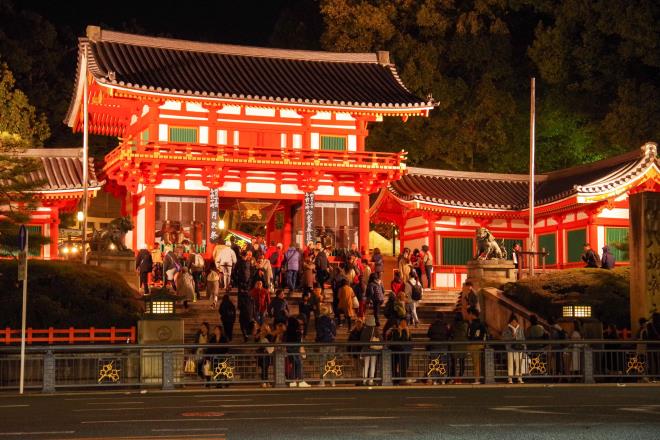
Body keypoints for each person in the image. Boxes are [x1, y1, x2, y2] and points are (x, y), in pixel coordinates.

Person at [285, 316, 310, 387]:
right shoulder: (297, 331)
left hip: (290, 350)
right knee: (298, 364)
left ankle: (293, 380)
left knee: (295, 365)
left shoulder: (288, 331)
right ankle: (300, 380)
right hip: (295, 350)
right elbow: (299, 342)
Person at [427, 312, 451, 385]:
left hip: (434, 346)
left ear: (436, 318)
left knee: (434, 362)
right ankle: (442, 379)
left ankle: (435, 379)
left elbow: (428, 334)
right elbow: (448, 334)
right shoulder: (445, 326)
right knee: (443, 363)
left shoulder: (432, 325)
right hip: (443, 346)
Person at [316, 305, 337, 387]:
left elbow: (319, 332)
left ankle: (322, 381)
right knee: (331, 362)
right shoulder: (331, 320)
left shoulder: (320, 320)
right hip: (332, 343)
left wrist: (318, 339)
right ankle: (332, 381)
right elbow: (334, 332)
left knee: (322, 362)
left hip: (324, 343)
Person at [387, 318, 412, 384]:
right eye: (402, 323)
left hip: (404, 352)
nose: (404, 324)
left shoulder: (408, 331)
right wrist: (400, 332)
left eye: (405, 323)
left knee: (404, 365)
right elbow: (396, 340)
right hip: (397, 351)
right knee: (395, 365)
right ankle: (396, 379)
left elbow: (409, 341)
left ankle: (402, 379)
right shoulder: (396, 331)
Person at [502, 314, 525, 384]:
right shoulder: (506, 329)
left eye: (515, 322)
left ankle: (519, 378)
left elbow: (523, 338)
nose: (514, 323)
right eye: (512, 322)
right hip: (510, 348)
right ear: (510, 322)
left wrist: (524, 347)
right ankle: (510, 378)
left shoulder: (520, 329)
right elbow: (504, 338)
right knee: (510, 364)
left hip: (519, 348)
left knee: (519, 364)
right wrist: (512, 337)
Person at [467, 307, 487, 384]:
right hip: (478, 344)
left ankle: (477, 379)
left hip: (475, 345)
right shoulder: (480, 324)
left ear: (472, 314)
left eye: (469, 314)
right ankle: (478, 378)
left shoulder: (474, 324)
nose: (468, 316)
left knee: (476, 363)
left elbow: (471, 335)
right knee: (477, 362)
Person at [360, 315, 381, 386]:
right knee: (373, 365)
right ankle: (371, 380)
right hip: (374, 350)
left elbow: (362, 340)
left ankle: (364, 380)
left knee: (366, 366)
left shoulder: (365, 330)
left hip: (366, 350)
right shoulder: (376, 330)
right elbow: (381, 339)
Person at [450, 312, 469, 384]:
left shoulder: (453, 325)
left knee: (454, 362)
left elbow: (450, 333)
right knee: (462, 362)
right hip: (463, 345)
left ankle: (454, 378)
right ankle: (460, 377)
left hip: (454, 344)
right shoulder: (465, 325)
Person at [256, 323, 275, 387]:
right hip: (261, 354)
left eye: (266, 327)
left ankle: (266, 381)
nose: (264, 329)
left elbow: (272, 340)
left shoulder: (269, 335)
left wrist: (268, 332)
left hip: (266, 354)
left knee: (265, 368)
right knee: (263, 367)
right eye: (263, 327)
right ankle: (263, 381)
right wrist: (260, 334)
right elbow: (256, 340)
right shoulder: (259, 334)